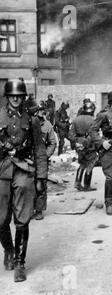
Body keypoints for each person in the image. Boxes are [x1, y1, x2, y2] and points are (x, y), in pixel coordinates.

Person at [0, 79, 48, 282]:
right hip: (2, 169)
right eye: (13, 96)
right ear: (7, 97)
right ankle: (9, 250)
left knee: (23, 217)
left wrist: (41, 177)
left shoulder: (32, 120)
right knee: (1, 218)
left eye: (19, 96)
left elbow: (39, 150)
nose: (16, 99)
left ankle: (20, 262)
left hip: (23, 170)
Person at [32, 101, 57, 220]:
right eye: (38, 110)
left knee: (40, 185)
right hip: (27, 158)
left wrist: (45, 155)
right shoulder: (28, 123)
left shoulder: (47, 125)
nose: (40, 112)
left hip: (41, 159)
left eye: (42, 110)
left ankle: (39, 209)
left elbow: (52, 142)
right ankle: (26, 209)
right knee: (27, 184)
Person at [69, 99, 99, 192]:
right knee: (91, 163)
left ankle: (77, 183)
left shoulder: (76, 120)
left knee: (82, 164)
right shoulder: (93, 121)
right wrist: (86, 144)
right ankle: (87, 185)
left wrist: (76, 143)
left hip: (79, 143)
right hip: (89, 145)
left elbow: (70, 134)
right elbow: (93, 135)